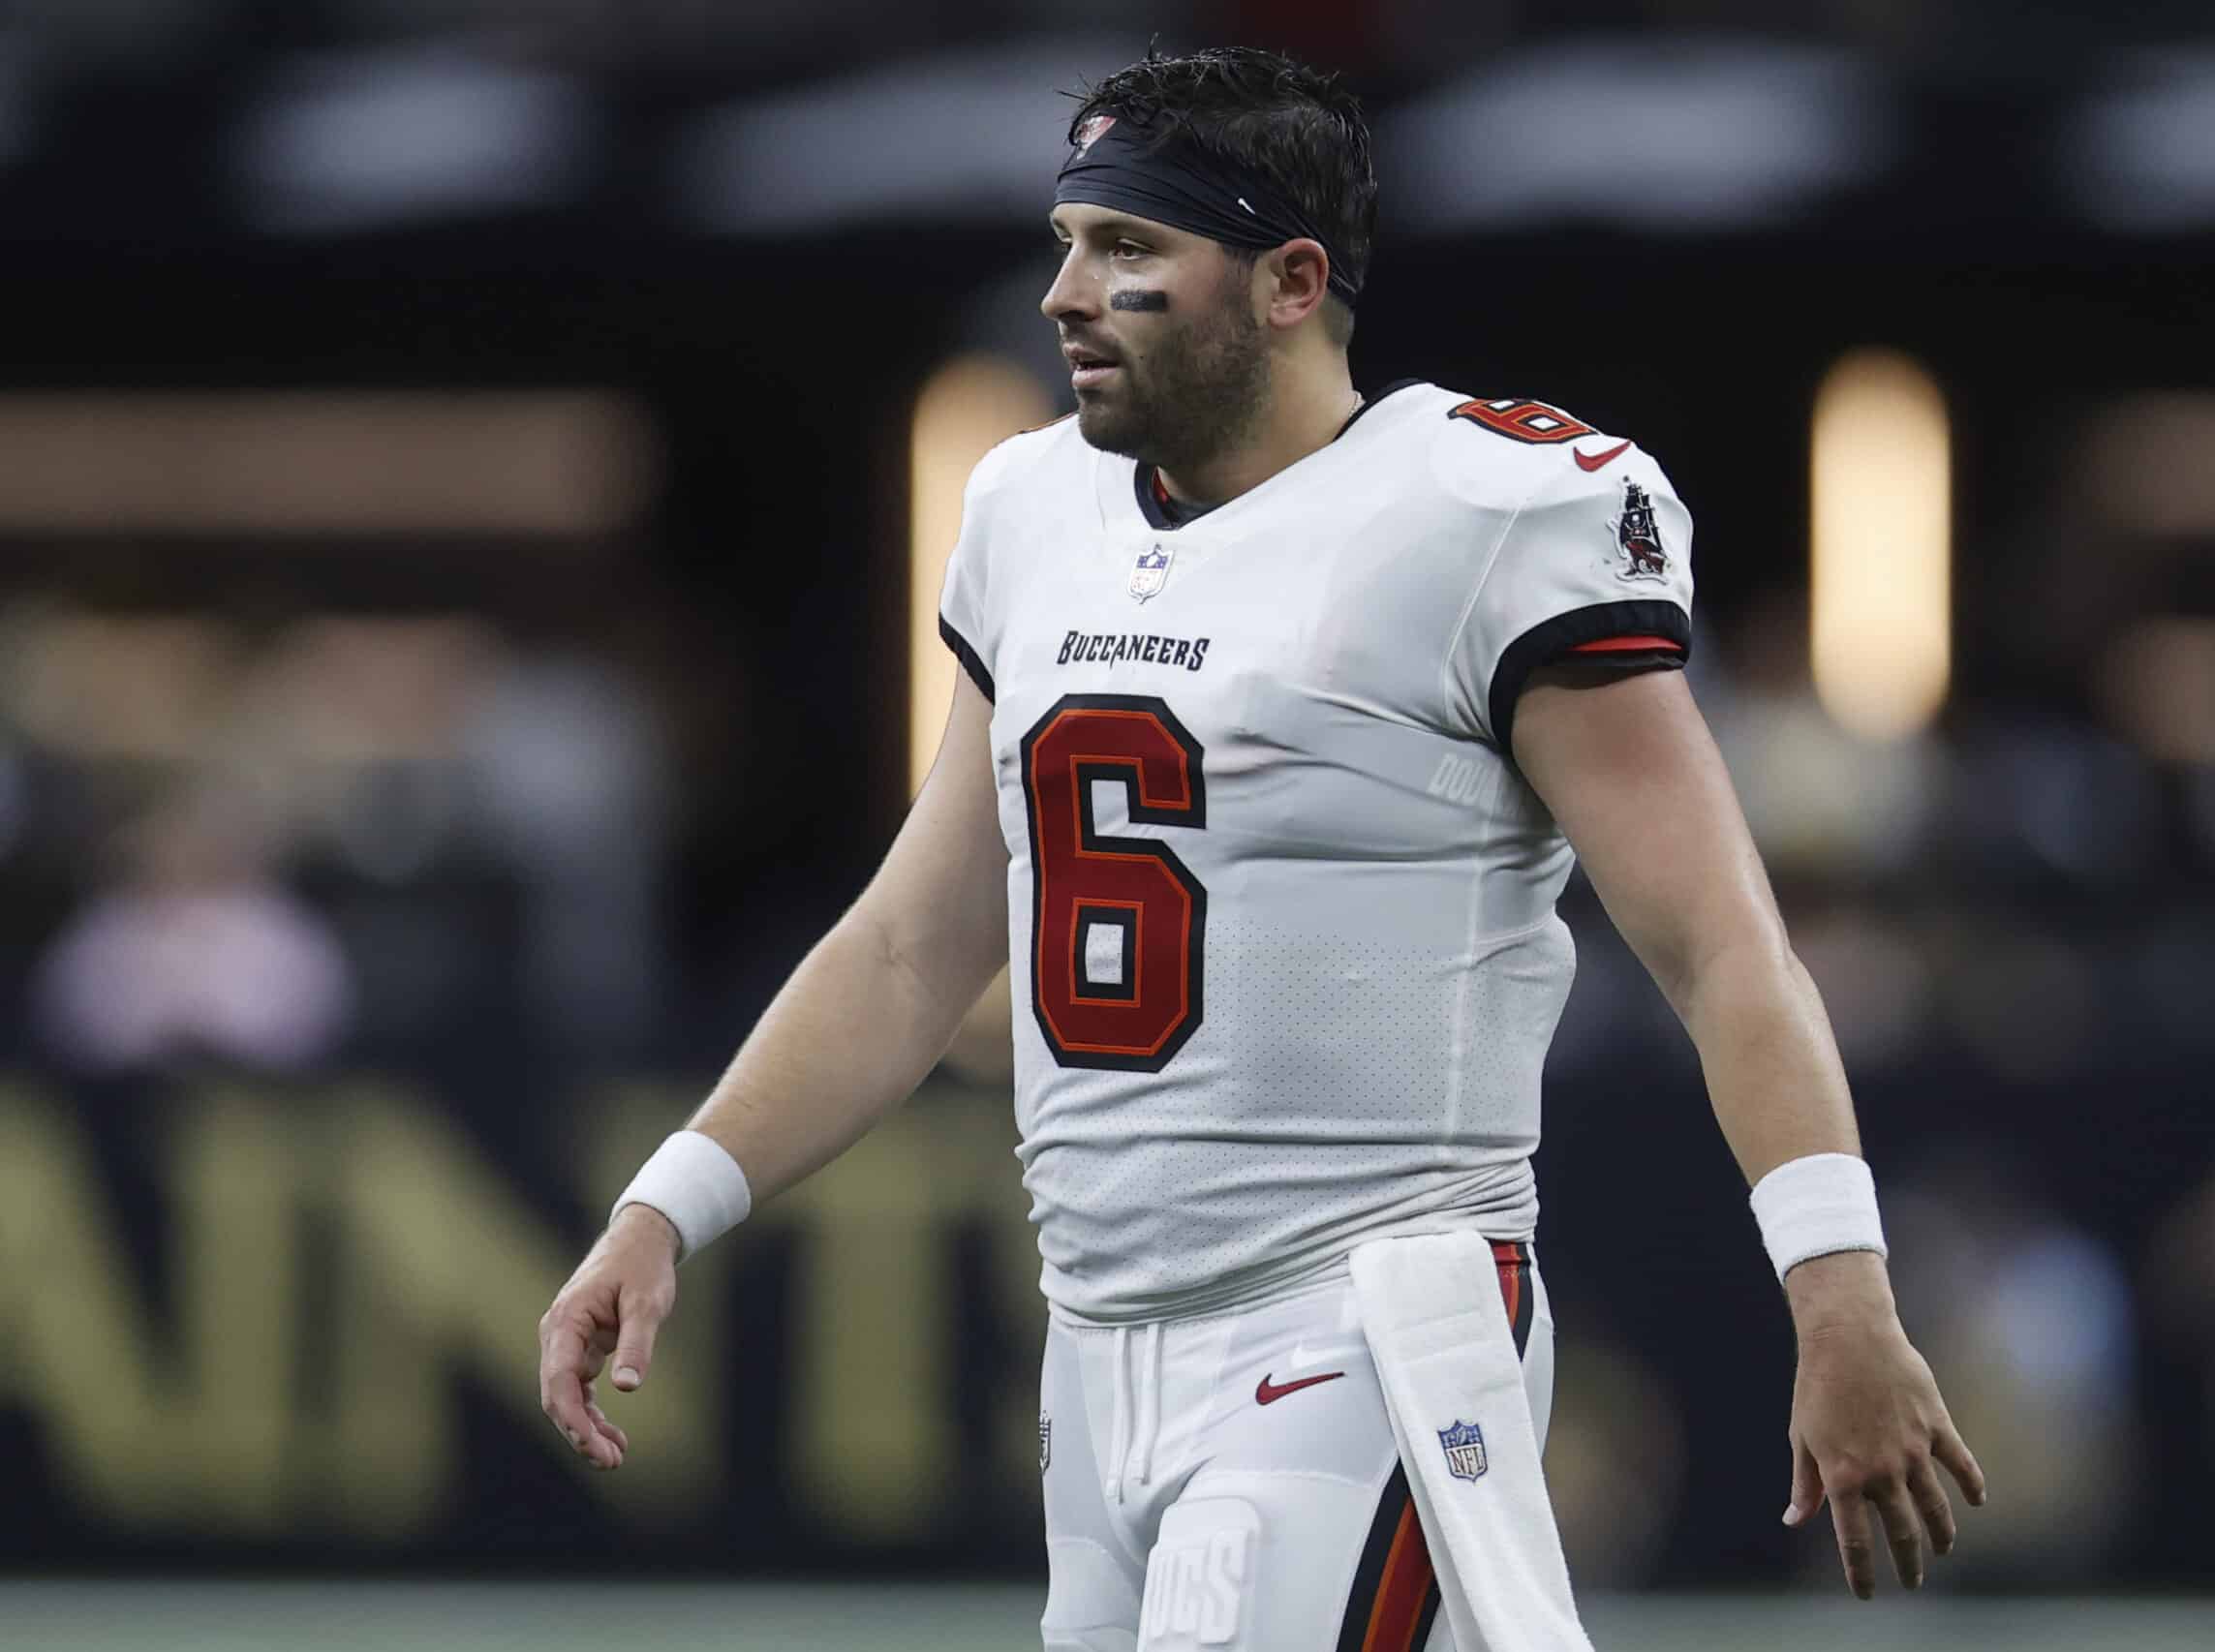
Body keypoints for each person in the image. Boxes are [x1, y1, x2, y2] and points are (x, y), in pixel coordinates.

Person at [538, 46, 1984, 1648]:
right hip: (1093, 1353)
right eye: (1069, 240)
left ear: (1293, 281)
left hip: (1363, 1314)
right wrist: (671, 1200)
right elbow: (912, 939)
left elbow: (1722, 945)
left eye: (1131, 250)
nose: (1066, 293)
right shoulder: (1032, 510)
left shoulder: (1481, 513)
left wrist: (1838, 1285)